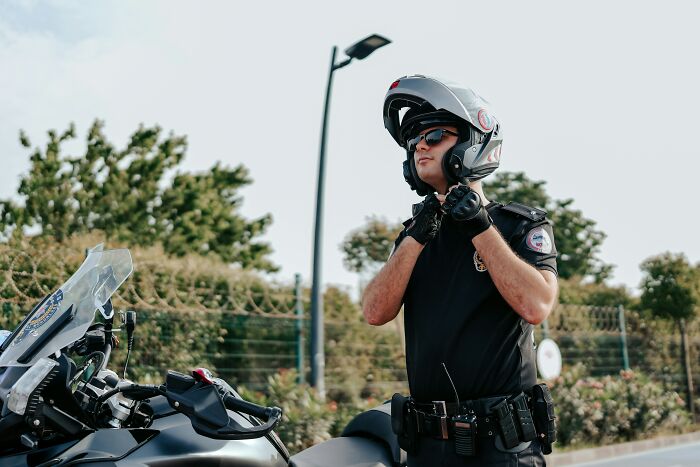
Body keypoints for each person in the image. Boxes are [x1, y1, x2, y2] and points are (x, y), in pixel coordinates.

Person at [362, 75, 559, 466]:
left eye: (435, 134)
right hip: (427, 448)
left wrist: (478, 226)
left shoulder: (521, 226)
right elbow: (374, 312)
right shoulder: (414, 238)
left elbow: (537, 304)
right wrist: (415, 238)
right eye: (414, 138)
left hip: (502, 449)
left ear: (472, 142)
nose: (420, 144)